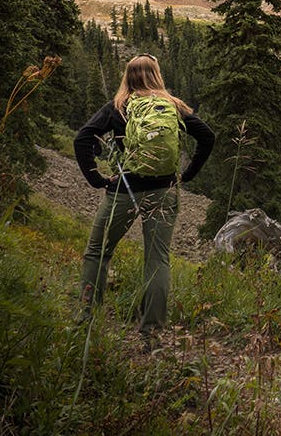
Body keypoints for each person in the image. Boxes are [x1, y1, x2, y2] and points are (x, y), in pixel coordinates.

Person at [73, 53, 214, 343]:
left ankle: (85, 321)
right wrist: (187, 175)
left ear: (128, 77)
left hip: (122, 191)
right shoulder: (173, 106)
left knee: (98, 253)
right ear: (157, 75)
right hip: (164, 191)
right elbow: (207, 137)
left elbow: (82, 139)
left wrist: (96, 179)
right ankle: (151, 334)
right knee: (157, 259)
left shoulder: (118, 107)